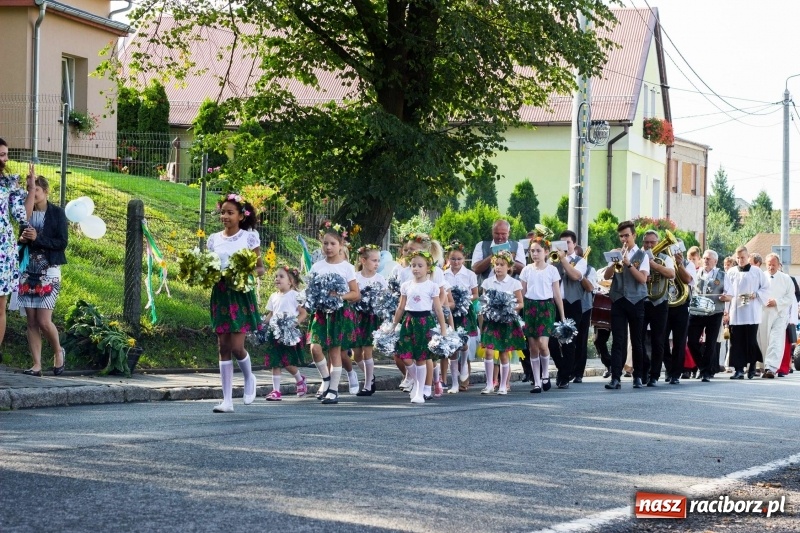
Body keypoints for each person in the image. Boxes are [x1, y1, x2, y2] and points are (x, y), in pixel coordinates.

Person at [206, 193, 265, 413]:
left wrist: (245, 271)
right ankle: (227, 400)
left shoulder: (249, 238)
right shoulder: (213, 239)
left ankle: (250, 378)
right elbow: (209, 266)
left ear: (241, 216)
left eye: (230, 213)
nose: (225, 216)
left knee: (237, 347)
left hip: (240, 294)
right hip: (220, 294)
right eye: (223, 212)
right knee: (223, 346)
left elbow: (260, 268)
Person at [18, 177, 68, 376]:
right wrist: (22, 239)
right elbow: (20, 241)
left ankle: (58, 351)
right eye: (31, 189)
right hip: (27, 269)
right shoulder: (26, 212)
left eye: (37, 189)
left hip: (49, 270)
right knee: (31, 320)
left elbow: (62, 243)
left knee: (44, 321)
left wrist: (38, 238)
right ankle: (36, 364)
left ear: (46, 191)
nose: (33, 192)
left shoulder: (57, 213)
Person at [308, 223, 360, 405]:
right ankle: (326, 379)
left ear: (340, 245)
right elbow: (310, 290)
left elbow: (355, 293)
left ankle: (334, 391)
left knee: (335, 351)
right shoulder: (316, 266)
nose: (328, 247)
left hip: (338, 313)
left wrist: (339, 296)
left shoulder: (347, 267)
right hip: (321, 313)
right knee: (314, 348)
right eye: (325, 244)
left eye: (332, 244)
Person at [391, 250, 448, 404]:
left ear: (428, 268)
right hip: (409, 322)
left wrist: (443, 328)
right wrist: (393, 325)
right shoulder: (406, 285)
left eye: (420, 265)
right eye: (413, 265)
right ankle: (418, 383)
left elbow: (437, 309)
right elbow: (401, 308)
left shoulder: (432, 286)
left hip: (424, 322)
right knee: (406, 356)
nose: (415, 268)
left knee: (421, 358)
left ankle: (419, 391)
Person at [603, 220, 650, 389]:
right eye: (621, 236)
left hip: (636, 300)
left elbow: (643, 279)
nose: (624, 239)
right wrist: (615, 262)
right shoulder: (616, 253)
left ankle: (638, 376)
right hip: (618, 300)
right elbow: (607, 276)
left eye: (626, 236)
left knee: (637, 341)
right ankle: (615, 378)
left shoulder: (643, 255)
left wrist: (628, 263)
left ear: (634, 235)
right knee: (618, 340)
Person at [0, 138, 35, 361]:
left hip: (2, 249)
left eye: (6, 155)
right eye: (1, 154)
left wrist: (31, 188)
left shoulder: (8, 184)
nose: (5, 159)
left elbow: (23, 215)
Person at [520, 235, 565, 393]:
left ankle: (546, 374)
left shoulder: (552, 270)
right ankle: (537, 381)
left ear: (546, 252)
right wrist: (520, 312)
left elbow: (557, 295)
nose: (535, 254)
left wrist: (563, 315)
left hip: (546, 307)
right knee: (532, 347)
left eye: (538, 251)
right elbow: (523, 293)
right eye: (532, 251)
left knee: (543, 345)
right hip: (530, 307)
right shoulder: (526, 270)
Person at [720, 246, 770, 380]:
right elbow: (727, 291)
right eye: (738, 257)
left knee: (751, 341)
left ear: (748, 257)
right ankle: (738, 370)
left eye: (742, 257)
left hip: (752, 311)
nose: (740, 260)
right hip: (736, 311)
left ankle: (752, 365)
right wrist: (726, 310)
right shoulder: (731, 272)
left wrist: (756, 294)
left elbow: (766, 288)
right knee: (736, 342)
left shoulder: (756, 272)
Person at [479, 250, 525, 395]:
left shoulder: (514, 283)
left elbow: (520, 303)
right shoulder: (487, 282)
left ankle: (504, 385)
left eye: (502, 264)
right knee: (488, 351)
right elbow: (484, 302)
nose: (498, 267)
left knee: (504, 354)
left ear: (509, 267)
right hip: (492, 322)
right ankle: (489, 384)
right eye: (496, 264)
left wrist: (509, 309)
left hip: (506, 322)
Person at [548, 230, 588, 388]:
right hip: (554, 303)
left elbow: (575, 276)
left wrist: (564, 260)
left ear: (574, 244)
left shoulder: (580, 260)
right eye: (561, 243)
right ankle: (562, 369)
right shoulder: (554, 260)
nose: (565, 246)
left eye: (568, 243)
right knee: (551, 341)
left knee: (568, 341)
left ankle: (564, 377)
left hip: (572, 303)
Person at [263, 265, 308, 401]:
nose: (277, 279)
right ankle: (276, 391)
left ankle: (300, 379)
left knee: (287, 362)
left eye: (281, 276)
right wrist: (263, 325)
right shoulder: (273, 296)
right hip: (275, 333)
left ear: (291, 282)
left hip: (289, 335)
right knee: (275, 362)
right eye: (276, 276)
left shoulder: (295, 295)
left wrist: (293, 324)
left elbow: (303, 313)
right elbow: (271, 313)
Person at [638, 230, 674, 387]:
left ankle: (655, 374)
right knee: (638, 339)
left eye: (652, 242)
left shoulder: (665, 258)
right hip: (642, 301)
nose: (649, 245)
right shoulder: (638, 257)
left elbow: (671, 274)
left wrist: (653, 265)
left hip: (660, 302)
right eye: (646, 242)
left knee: (658, 340)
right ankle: (643, 369)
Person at [443, 240, 479, 394]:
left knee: (464, 343)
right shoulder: (444, 274)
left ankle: (464, 365)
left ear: (464, 259)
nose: (456, 262)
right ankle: (455, 383)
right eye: (453, 259)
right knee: (452, 346)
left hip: (465, 311)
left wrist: (464, 300)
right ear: (448, 259)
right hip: (450, 311)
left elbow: (476, 294)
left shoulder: (470, 274)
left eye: (459, 259)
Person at [686, 249, 726, 382]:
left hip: (715, 312)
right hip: (697, 311)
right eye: (704, 258)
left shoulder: (722, 275)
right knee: (691, 341)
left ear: (715, 261)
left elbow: (730, 294)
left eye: (709, 258)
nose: (706, 260)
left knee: (710, 343)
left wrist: (725, 297)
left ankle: (706, 372)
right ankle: (703, 366)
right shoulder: (696, 273)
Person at [353, 244, 387, 396]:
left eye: (378, 260)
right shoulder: (355, 277)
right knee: (357, 353)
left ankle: (368, 385)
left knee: (367, 350)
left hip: (372, 317)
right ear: (363, 260)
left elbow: (386, 298)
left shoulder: (380, 279)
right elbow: (352, 295)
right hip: (357, 317)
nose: (377, 264)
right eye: (374, 260)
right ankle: (370, 375)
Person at [661, 242, 696, 384]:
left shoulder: (689, 264)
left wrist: (679, 264)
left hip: (681, 305)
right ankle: (669, 368)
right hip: (666, 304)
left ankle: (675, 373)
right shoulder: (664, 261)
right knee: (661, 339)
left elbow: (688, 280)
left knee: (679, 341)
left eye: (676, 249)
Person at [756, 254, 794, 379]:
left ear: (778, 265)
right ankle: (762, 365)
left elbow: (789, 297)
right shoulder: (761, 276)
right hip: (764, 313)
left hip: (779, 314)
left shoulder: (786, 278)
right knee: (764, 340)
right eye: (769, 265)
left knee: (775, 340)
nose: (771, 267)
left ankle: (771, 368)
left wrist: (776, 302)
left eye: (773, 265)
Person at [571, 245, 597, 382]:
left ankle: (578, 373)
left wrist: (580, 275)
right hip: (569, 306)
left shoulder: (590, 269)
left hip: (584, 307)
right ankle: (569, 369)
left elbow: (590, 288)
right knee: (569, 339)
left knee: (581, 340)